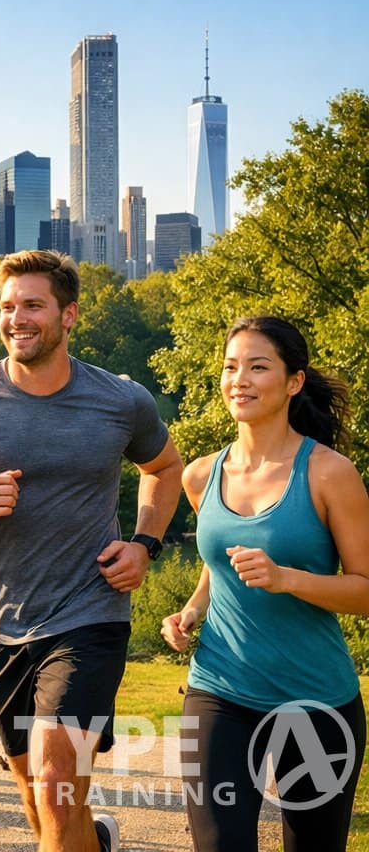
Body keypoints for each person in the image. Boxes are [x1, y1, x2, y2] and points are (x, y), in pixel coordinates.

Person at [0, 249, 183, 852]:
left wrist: (144, 544)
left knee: (58, 781)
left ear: (69, 315)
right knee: (38, 795)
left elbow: (165, 465)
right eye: (8, 307)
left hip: (90, 615)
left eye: (33, 305)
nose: (17, 318)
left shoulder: (120, 400)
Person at [161, 316, 368, 852]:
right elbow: (220, 562)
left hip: (316, 700)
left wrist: (288, 579)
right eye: (231, 367)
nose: (240, 380)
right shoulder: (201, 474)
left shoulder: (329, 474)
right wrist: (191, 608)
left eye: (258, 366)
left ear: (293, 381)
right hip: (220, 689)